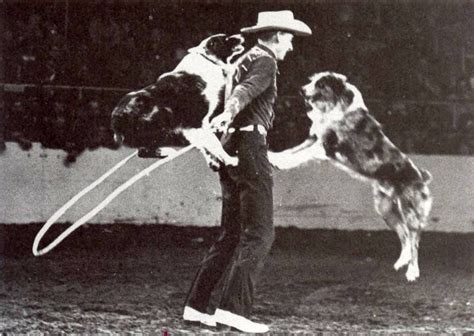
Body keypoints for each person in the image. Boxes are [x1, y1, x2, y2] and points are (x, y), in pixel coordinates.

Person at [183, 10, 312, 333]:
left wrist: (223, 137)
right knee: (260, 233)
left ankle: (196, 306)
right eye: (290, 38)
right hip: (251, 148)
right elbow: (246, 93)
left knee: (230, 235)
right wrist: (228, 114)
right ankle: (232, 311)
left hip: (232, 149)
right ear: (278, 35)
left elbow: (236, 93)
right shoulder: (266, 60)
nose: (292, 46)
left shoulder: (241, 58)